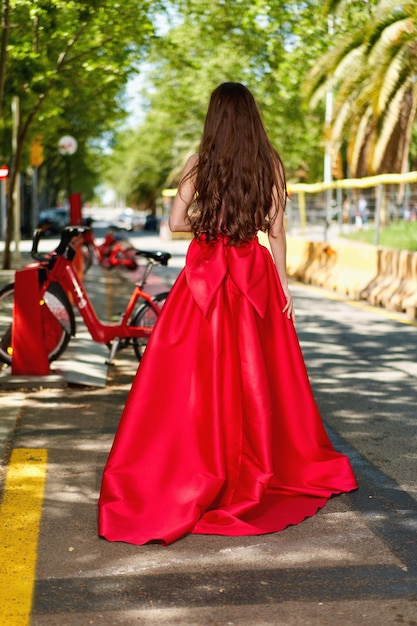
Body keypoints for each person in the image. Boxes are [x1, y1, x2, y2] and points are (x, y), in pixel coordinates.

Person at [98, 82, 358, 546]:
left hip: (205, 280)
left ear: (215, 117)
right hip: (253, 276)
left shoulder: (201, 162)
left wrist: (211, 222)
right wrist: (282, 286)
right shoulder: (270, 163)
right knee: (258, 379)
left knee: (192, 379)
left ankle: (196, 464)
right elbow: (276, 233)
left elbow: (176, 223)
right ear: (253, 116)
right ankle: (257, 468)